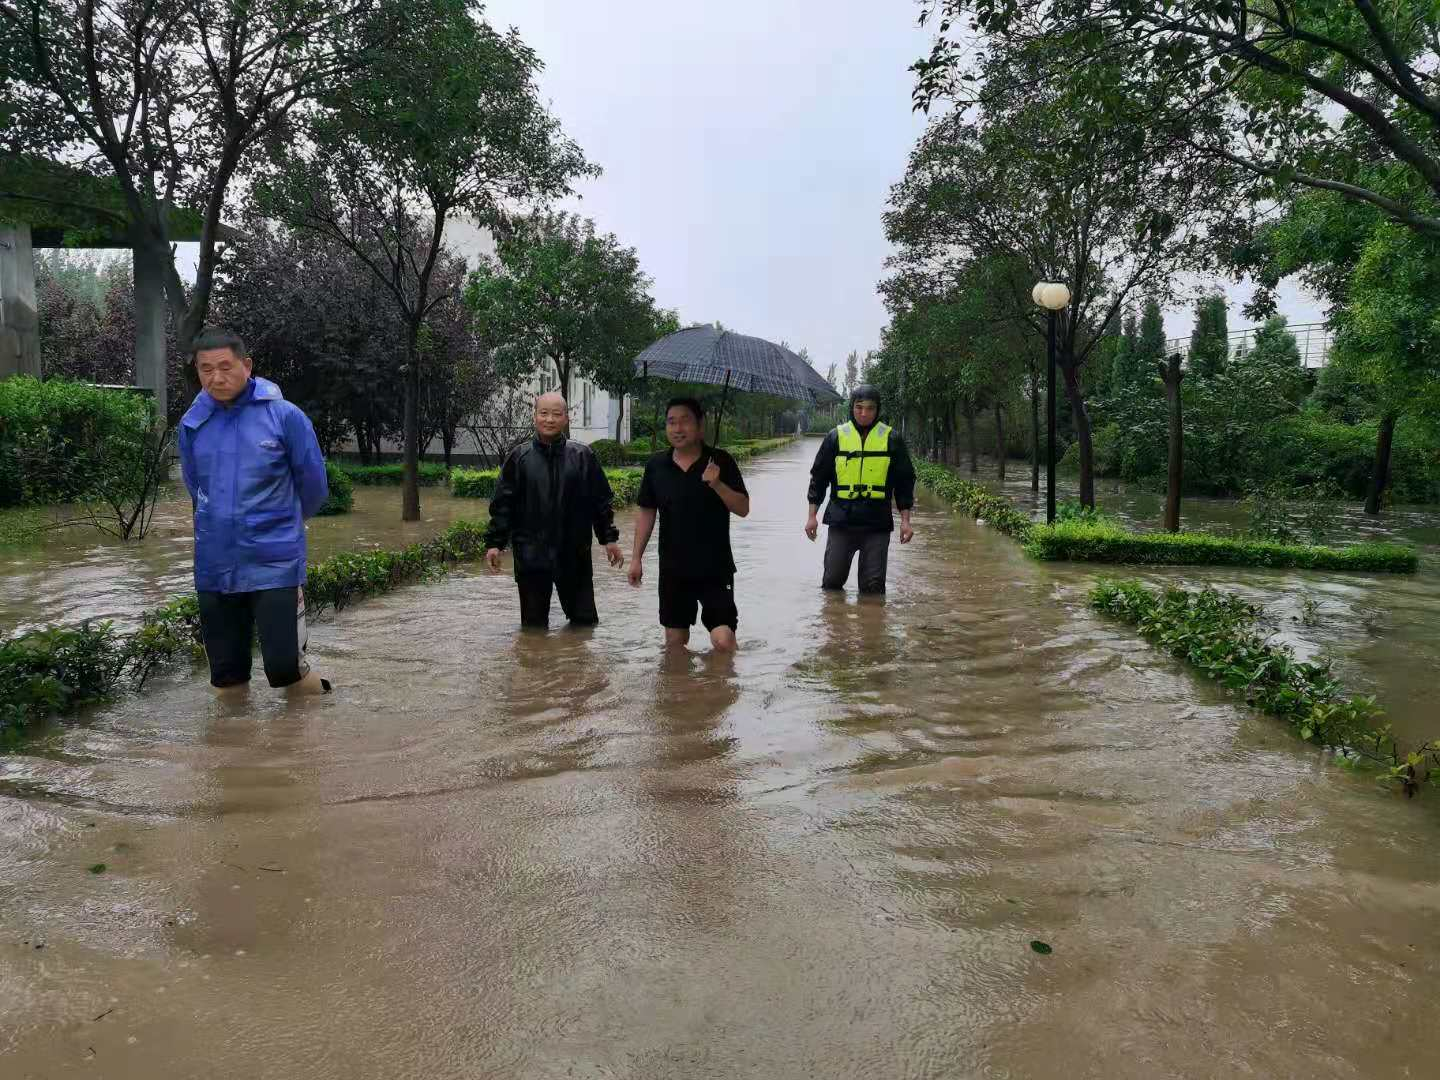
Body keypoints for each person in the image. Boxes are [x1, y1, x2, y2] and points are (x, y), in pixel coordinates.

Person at [177, 327, 331, 697]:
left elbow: (313, 487)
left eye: (225, 367)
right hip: (215, 564)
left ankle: (324, 709)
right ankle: (233, 735)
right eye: (206, 369)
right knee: (226, 676)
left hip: (274, 562)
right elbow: (196, 488)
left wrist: (281, 526)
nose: (216, 378)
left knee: (285, 669)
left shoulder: (285, 416)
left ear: (246, 365)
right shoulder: (192, 424)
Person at [484, 391, 624, 628]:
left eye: (556, 414)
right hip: (531, 556)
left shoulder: (583, 456)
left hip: (574, 554)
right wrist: (494, 544)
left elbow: (600, 502)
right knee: (533, 629)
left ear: (566, 418)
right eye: (544, 413)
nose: (549, 419)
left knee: (584, 624)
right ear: (534, 416)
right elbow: (503, 505)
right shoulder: (519, 458)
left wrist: (609, 539)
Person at [629, 397, 749, 652]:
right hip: (673, 568)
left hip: (715, 568)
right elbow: (647, 513)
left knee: (723, 641)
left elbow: (743, 508)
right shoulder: (656, 466)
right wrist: (636, 558)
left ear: (700, 425)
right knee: (675, 644)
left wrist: (717, 484)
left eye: (685, 421)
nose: (678, 428)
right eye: (671, 422)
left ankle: (726, 677)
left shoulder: (721, 461)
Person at [805, 382, 916, 594]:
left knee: (873, 588)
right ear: (852, 407)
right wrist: (812, 517)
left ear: (878, 409)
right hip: (841, 520)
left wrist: (906, 522)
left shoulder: (892, 439)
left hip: (877, 522)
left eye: (870, 408)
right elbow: (818, 479)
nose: (864, 413)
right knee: (832, 583)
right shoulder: (835, 437)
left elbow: (904, 482)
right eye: (859, 407)